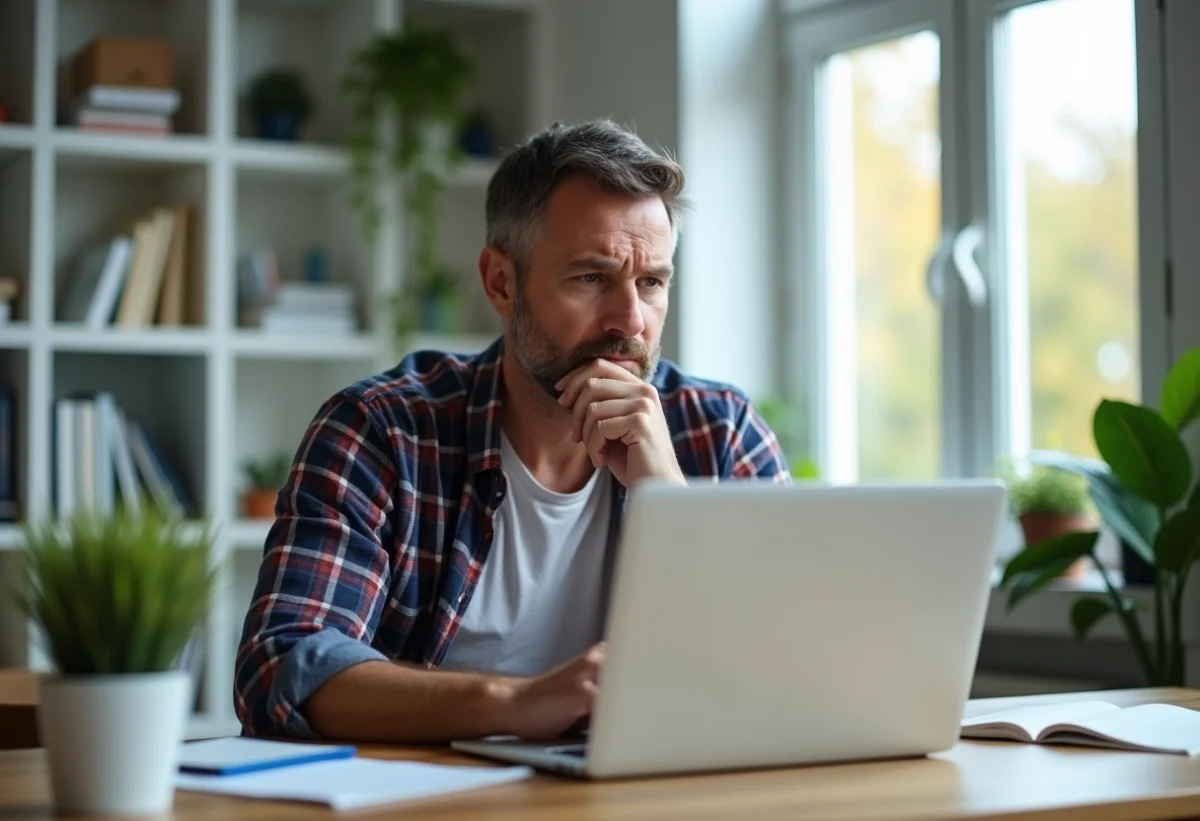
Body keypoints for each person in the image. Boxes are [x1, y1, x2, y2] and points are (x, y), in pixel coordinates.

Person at [233, 118, 790, 743]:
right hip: (438, 790)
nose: (630, 320)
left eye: (651, 282)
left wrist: (668, 501)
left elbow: (793, 666)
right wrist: (515, 701)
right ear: (501, 282)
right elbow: (282, 667)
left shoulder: (720, 432)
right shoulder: (383, 433)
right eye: (591, 278)